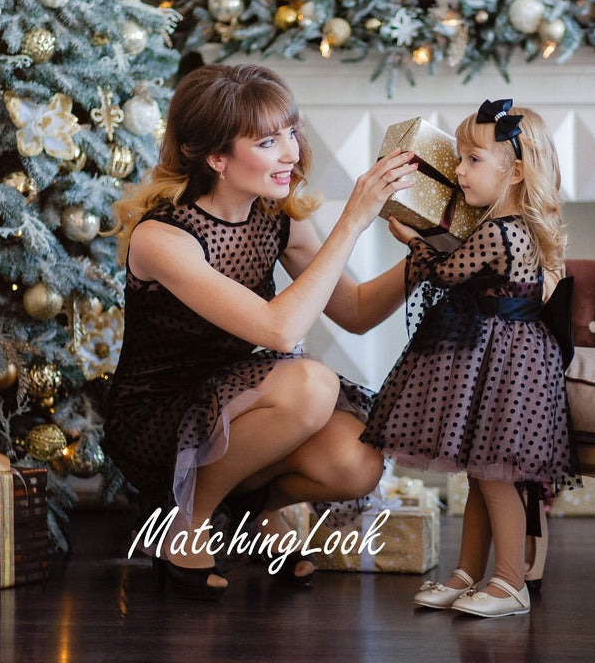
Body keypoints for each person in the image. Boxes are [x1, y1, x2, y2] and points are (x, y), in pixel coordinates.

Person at [104, 63, 419, 599]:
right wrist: (352, 221)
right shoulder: (163, 237)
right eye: (269, 141)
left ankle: (255, 512)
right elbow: (278, 332)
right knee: (311, 384)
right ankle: (188, 522)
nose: (293, 153)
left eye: (291, 133)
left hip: (243, 406)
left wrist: (426, 260)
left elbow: (357, 310)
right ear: (216, 157)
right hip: (159, 419)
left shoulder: (279, 218)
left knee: (357, 464)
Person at [360, 98, 581, 618]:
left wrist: (413, 239)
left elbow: (447, 273)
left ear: (517, 171)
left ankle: (510, 581)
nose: (459, 171)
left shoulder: (500, 230)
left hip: (509, 362)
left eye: (473, 160)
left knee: (495, 475)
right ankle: (467, 571)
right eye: (458, 159)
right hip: (498, 355)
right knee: (481, 473)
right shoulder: (504, 224)